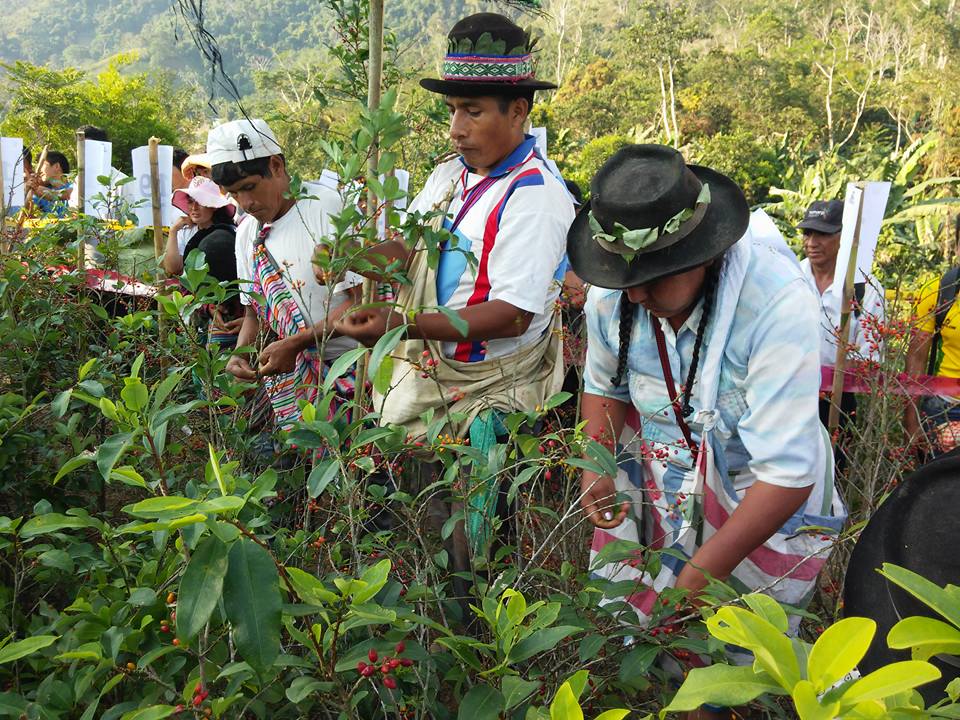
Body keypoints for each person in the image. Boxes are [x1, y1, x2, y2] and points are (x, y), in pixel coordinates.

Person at [569, 146, 845, 718]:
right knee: (664, 666)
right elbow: (604, 388)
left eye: (654, 278)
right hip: (668, 487)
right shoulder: (615, 296)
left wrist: (691, 582)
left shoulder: (772, 303)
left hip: (757, 506)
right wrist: (594, 466)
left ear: (705, 254)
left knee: (734, 677)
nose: (637, 294)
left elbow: (786, 475)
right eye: (628, 280)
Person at [334, 13, 574, 589]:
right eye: (452, 111)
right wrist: (354, 255)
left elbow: (512, 312)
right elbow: (413, 249)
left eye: (474, 111)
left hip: (484, 390)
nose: (457, 128)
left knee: (472, 548)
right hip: (428, 379)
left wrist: (402, 322)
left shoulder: (536, 197)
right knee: (421, 526)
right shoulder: (451, 177)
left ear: (518, 111)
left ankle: (471, 650)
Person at [207, 118, 362, 432]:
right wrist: (240, 353)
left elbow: (362, 304)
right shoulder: (248, 233)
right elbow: (254, 312)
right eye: (235, 195)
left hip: (357, 372)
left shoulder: (326, 209)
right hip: (301, 381)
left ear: (276, 166)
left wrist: (297, 342)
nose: (246, 203)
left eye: (250, 187)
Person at [797, 199, 885, 434]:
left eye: (822, 235)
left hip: (838, 403)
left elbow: (870, 358)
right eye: (808, 233)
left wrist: (833, 376)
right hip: (789, 398)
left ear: (844, 237)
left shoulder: (864, 288)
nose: (812, 243)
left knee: (836, 467)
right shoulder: (790, 277)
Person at [164, 176, 242, 348]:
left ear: (214, 206)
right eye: (191, 201)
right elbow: (172, 268)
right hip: (198, 315)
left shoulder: (225, 237)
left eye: (201, 201)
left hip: (224, 318)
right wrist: (173, 232)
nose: (194, 207)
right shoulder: (188, 234)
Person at [905, 218, 960, 456]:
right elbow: (916, 359)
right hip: (947, 410)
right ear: (957, 247)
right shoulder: (938, 293)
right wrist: (910, 421)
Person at [28, 151, 73, 216]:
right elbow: (29, 213)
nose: (38, 169)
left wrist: (36, 188)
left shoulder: (74, 188)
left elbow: (65, 194)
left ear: (57, 166)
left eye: (42, 164)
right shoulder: (39, 194)